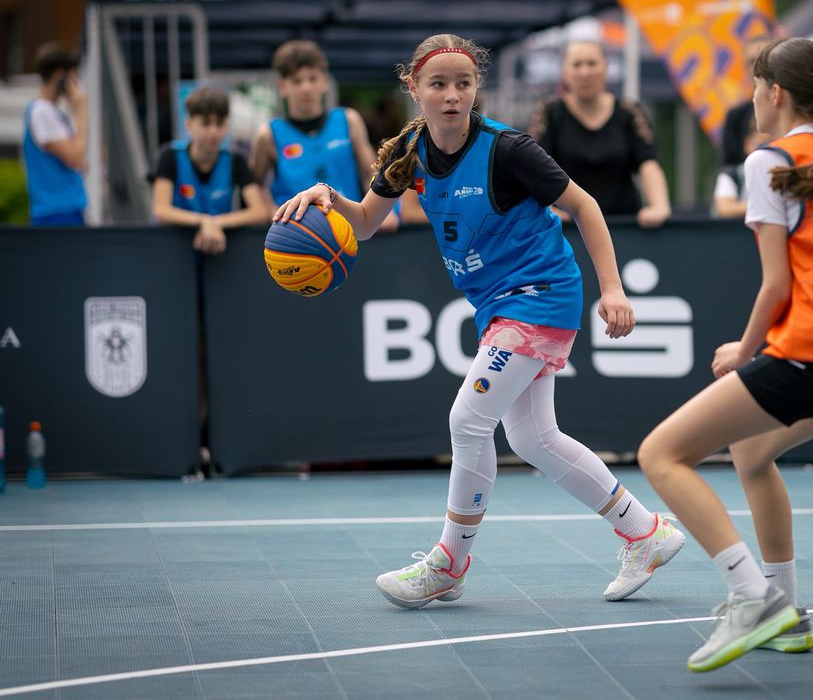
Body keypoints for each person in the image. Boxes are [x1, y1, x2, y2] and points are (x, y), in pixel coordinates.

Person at [274, 33, 685, 609]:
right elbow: (367, 223)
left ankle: (450, 562)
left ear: (476, 90)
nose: (451, 95)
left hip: (540, 293)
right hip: (499, 303)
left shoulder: (508, 149)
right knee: (534, 438)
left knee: (467, 420)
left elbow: (585, 206)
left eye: (462, 84)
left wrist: (612, 289)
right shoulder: (407, 153)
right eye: (437, 84)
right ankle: (645, 532)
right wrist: (325, 197)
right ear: (413, 88)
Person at [638, 37, 813, 673]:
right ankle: (787, 612)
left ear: (774, 93)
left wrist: (744, 353)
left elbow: (777, 286)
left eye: (755, 85)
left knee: (661, 455)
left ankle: (753, 598)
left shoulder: (769, 161)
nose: (751, 97)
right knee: (752, 453)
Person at [251, 40, 410, 230]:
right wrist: (271, 210)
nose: (306, 88)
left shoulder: (348, 120)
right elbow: (254, 187)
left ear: (325, 82)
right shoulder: (268, 134)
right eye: (297, 81)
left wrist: (384, 212)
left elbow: (370, 173)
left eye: (312, 78)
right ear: (282, 87)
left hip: (348, 228)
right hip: (296, 233)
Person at [527, 40, 671, 227]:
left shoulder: (629, 112)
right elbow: (532, 168)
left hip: (624, 226)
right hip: (568, 229)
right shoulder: (549, 112)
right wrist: (546, 208)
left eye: (592, 63)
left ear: (606, 67)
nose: (585, 72)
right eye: (577, 64)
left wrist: (659, 206)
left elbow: (648, 162)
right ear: (565, 71)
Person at [151, 86, 272, 251]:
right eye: (206, 123)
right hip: (173, 248)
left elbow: (259, 212)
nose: (214, 131)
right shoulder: (170, 156)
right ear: (189, 124)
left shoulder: (235, 160)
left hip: (220, 248)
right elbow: (161, 211)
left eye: (220, 123)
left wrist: (214, 223)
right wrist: (203, 221)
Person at [21, 42, 88, 226]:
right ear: (60, 75)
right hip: (56, 212)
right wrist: (81, 110)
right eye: (73, 77)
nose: (76, 84)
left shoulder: (51, 113)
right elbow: (75, 158)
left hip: (62, 209)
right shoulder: (41, 112)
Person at [713, 35, 774, 219]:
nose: (757, 68)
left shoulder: (795, 108)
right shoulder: (735, 116)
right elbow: (728, 167)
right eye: (751, 62)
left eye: (763, 60)